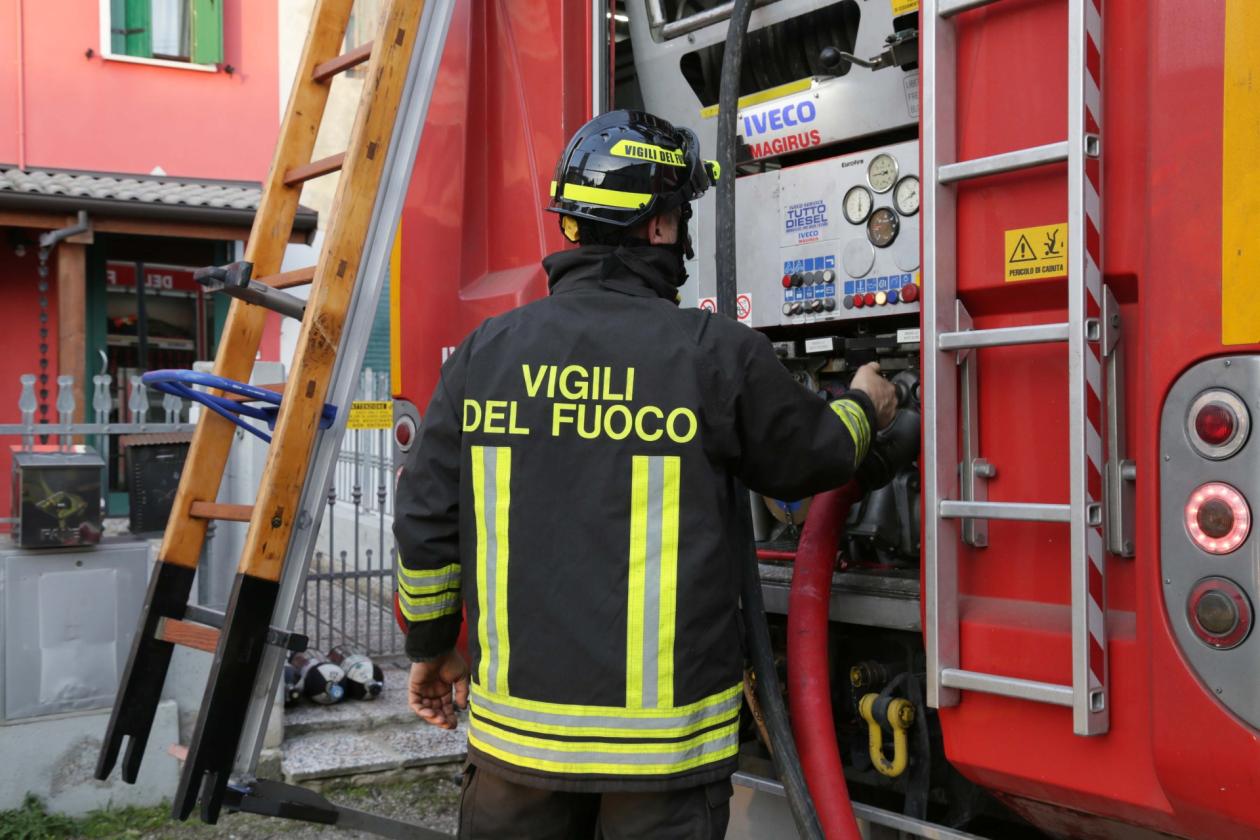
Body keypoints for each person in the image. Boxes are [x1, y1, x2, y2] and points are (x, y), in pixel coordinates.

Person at [393, 109, 914, 839]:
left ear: (573, 224)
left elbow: (424, 522)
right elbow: (814, 455)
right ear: (661, 226)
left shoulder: (486, 352)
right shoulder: (712, 353)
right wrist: (867, 404)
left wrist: (430, 647)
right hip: (661, 769)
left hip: (517, 757)